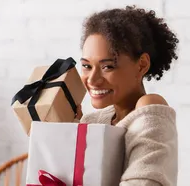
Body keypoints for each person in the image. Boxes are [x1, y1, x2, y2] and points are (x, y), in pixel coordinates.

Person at [73, 5, 179, 186]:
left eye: (107, 66)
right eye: (86, 66)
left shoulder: (150, 109)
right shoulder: (93, 120)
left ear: (141, 65)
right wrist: (69, 128)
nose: (93, 79)